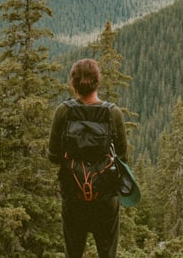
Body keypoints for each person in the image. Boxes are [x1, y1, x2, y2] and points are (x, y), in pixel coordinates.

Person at [49, 58, 129, 258]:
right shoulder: (113, 113)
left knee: (73, 252)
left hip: (73, 194)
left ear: (73, 84)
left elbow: (53, 156)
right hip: (105, 196)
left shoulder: (63, 112)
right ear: (97, 82)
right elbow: (123, 156)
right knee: (107, 253)